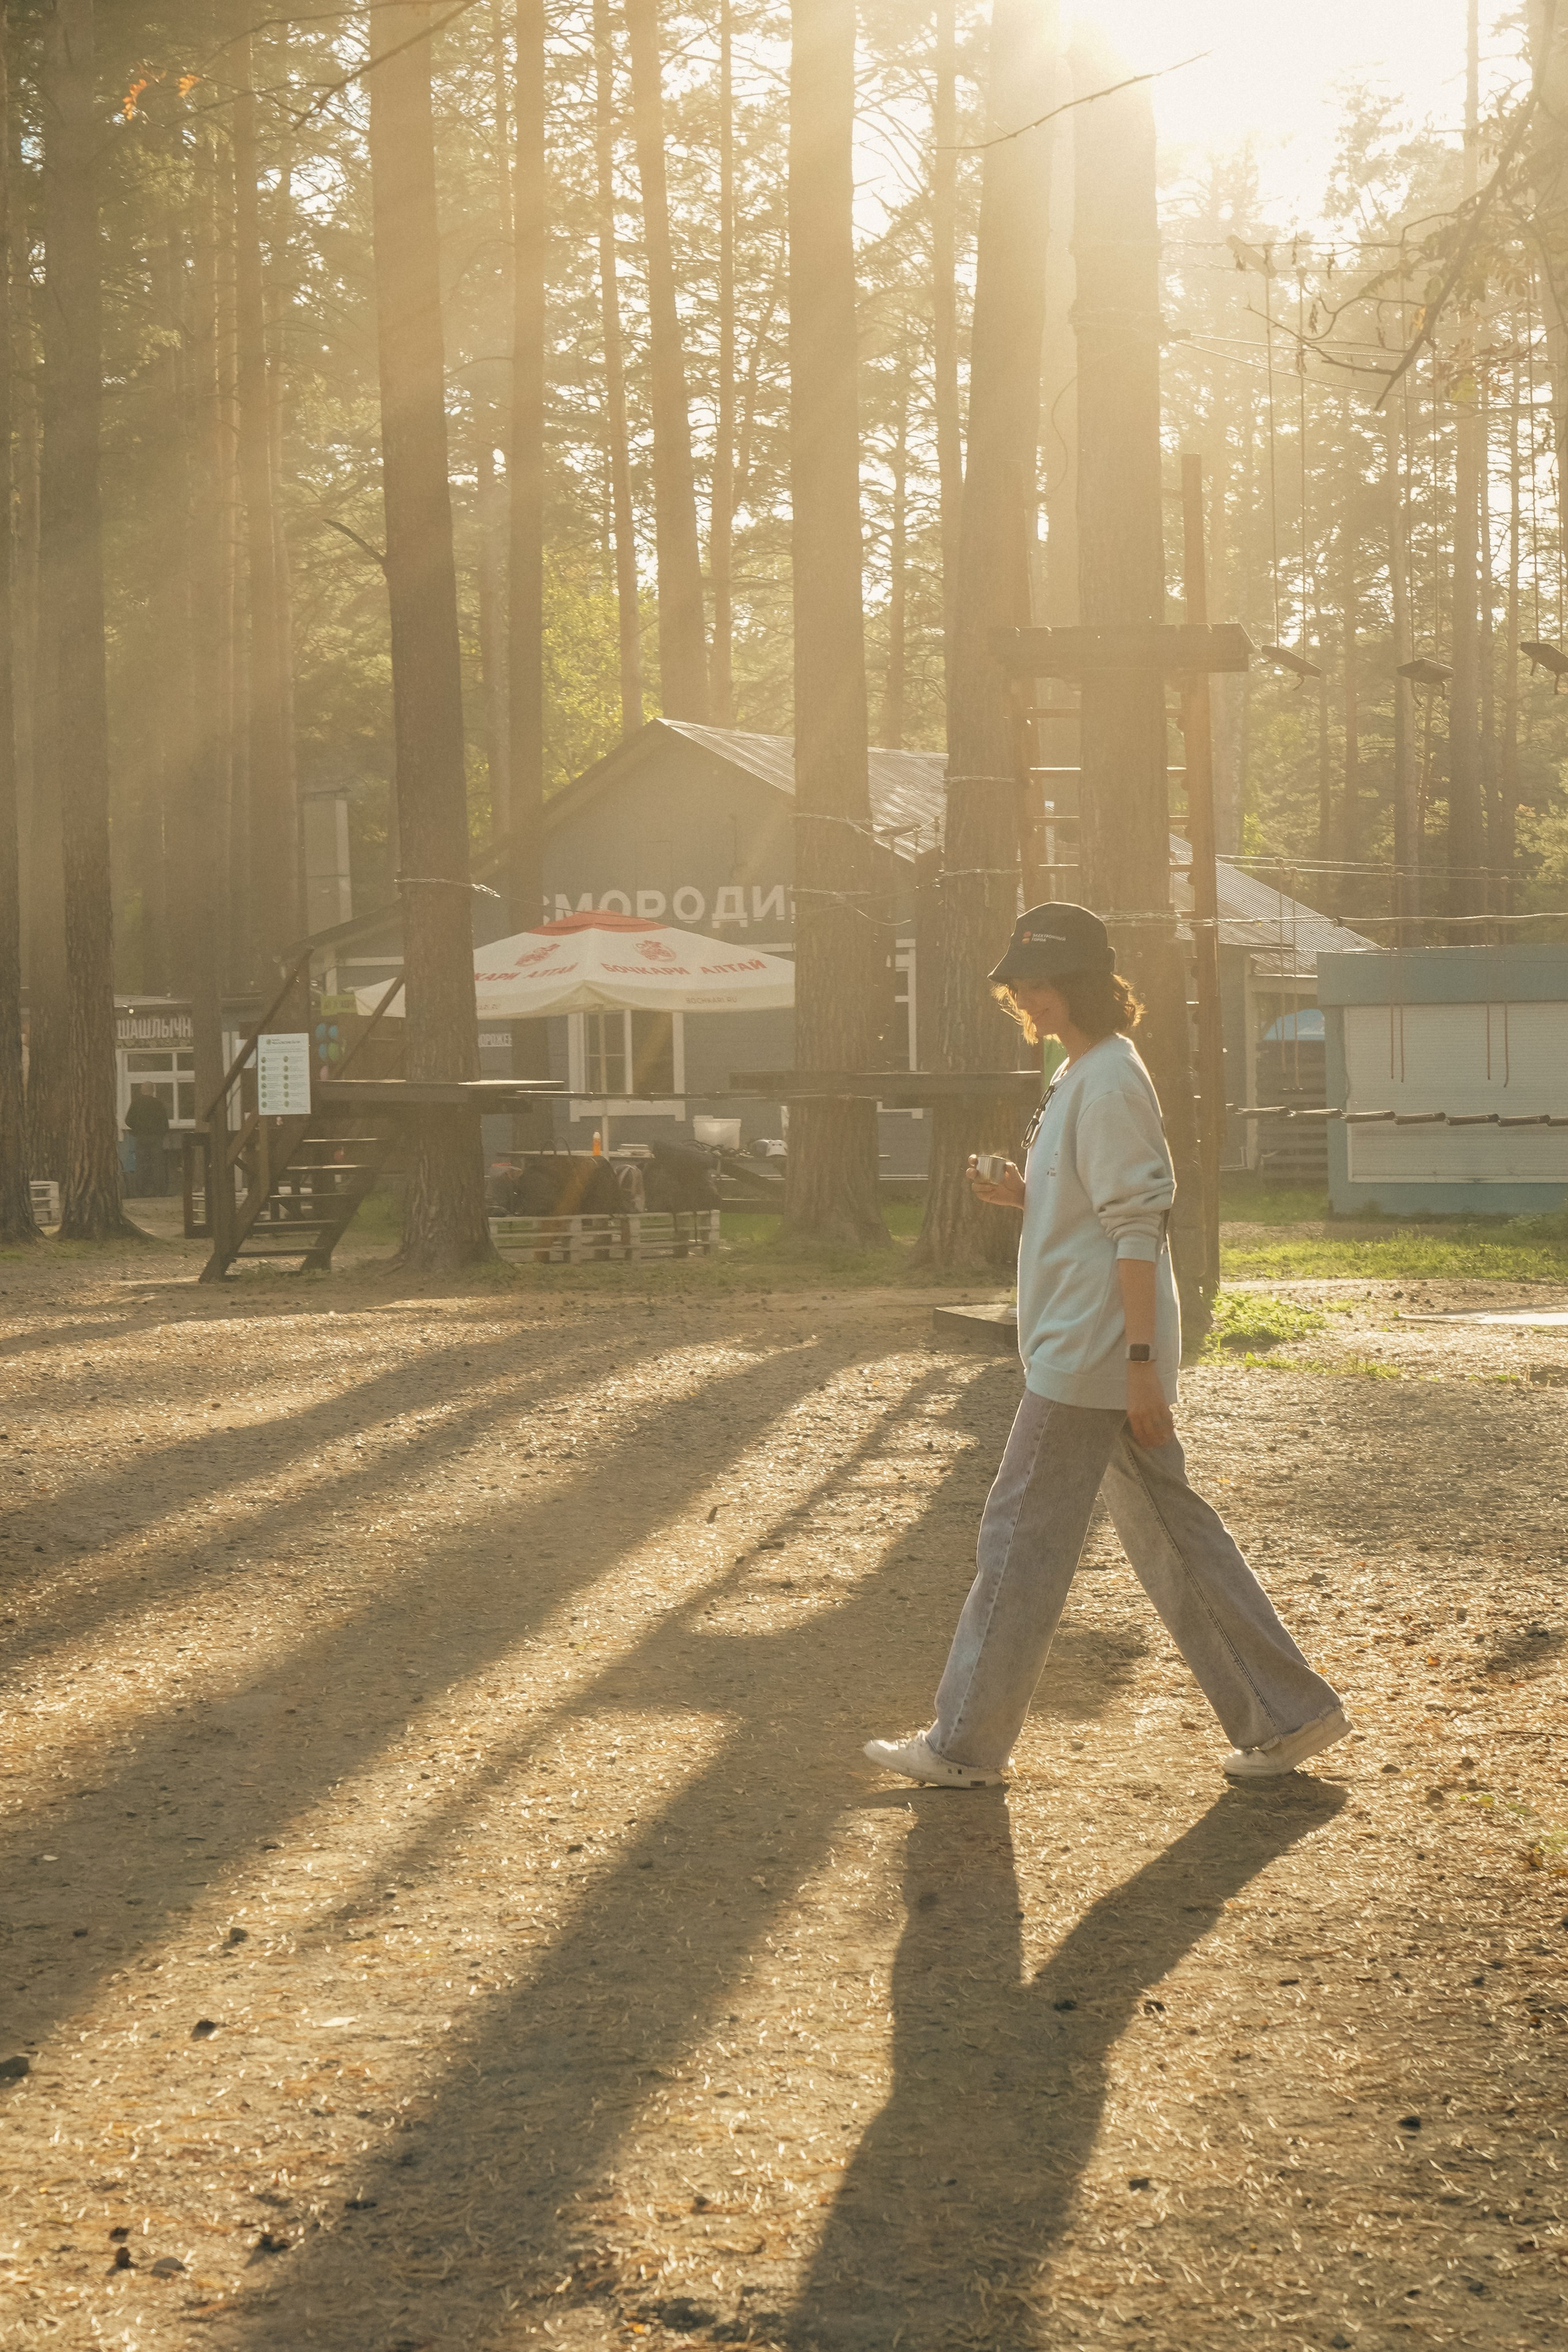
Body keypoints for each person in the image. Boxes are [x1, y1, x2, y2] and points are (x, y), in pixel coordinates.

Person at [865, 902, 1349, 1789]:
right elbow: (1095, 1207)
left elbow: (1139, 1227)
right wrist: (1023, 1195)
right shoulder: (1083, 1071)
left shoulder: (1112, 1080)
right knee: (1173, 1533)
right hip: (1092, 1350)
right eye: (1022, 982)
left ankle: (963, 1745)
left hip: (1090, 1355)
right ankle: (1290, 1716)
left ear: (1085, 983)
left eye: (1043, 981)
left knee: (1020, 1541)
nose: (1028, 996)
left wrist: (1135, 1369)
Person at [124, 1084, 172, 1199]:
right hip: (155, 1138)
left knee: (141, 1165)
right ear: (153, 1091)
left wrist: (137, 1129)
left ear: (142, 1090)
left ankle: (140, 1192)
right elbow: (165, 1124)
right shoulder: (158, 1104)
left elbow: (128, 1120)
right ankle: (159, 1192)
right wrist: (159, 1133)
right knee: (158, 1165)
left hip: (141, 1138)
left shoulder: (136, 1103)